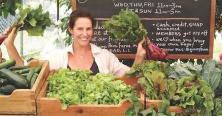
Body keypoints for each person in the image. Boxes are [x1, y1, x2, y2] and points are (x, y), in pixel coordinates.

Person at [3, 10, 146, 77]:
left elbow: (130, 77)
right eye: (80, 29)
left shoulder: (105, 56)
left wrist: (139, 57)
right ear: (71, 29)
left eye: (88, 29)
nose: (85, 33)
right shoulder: (57, 57)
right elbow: (24, 69)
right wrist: (10, 44)